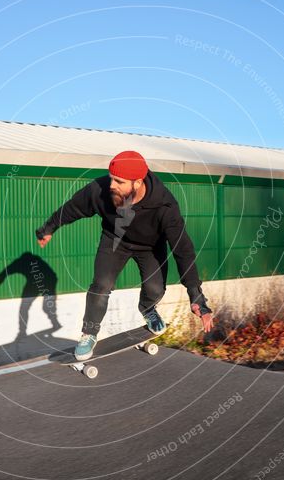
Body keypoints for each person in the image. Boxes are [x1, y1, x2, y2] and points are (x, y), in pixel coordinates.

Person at [35, 150, 214, 361]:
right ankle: (89, 333)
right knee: (101, 284)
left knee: (155, 289)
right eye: (112, 179)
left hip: (150, 247)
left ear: (137, 183)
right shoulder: (100, 189)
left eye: (119, 182)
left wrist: (196, 296)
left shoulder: (165, 206)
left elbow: (183, 249)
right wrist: (49, 227)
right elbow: (74, 208)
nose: (112, 185)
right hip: (114, 240)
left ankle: (147, 309)